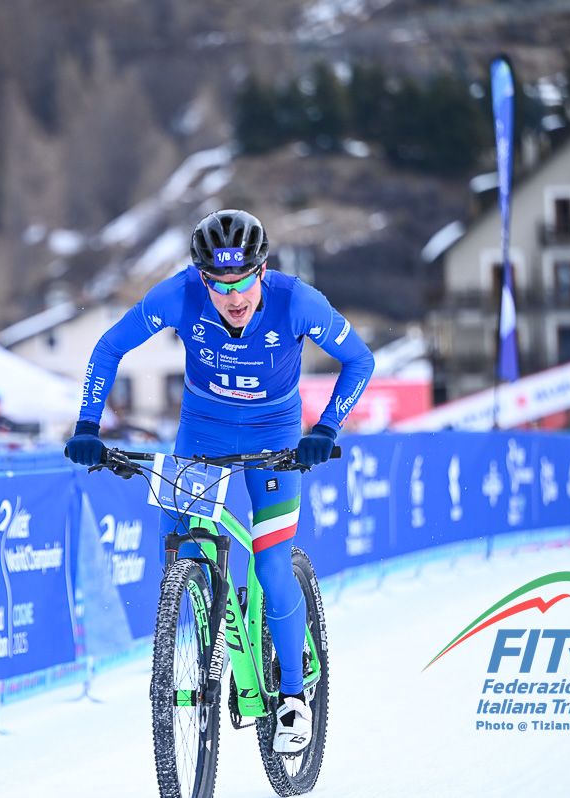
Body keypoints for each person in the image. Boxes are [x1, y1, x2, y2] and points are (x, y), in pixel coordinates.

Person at [64, 209, 374, 754]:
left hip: (276, 437)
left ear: (262, 271)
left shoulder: (297, 302)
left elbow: (360, 361)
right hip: (202, 432)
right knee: (180, 543)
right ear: (202, 278)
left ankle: (293, 694)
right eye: (219, 284)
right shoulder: (178, 295)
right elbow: (109, 347)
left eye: (243, 281)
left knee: (271, 562)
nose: (234, 297)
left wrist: (326, 428)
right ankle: (200, 634)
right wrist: (88, 425)